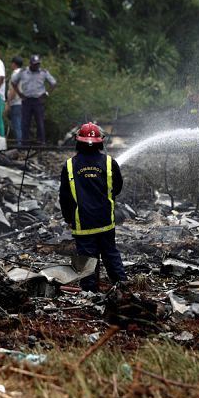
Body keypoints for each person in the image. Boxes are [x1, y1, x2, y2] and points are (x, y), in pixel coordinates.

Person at [59, 123, 126, 292]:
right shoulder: (110, 163)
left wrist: (68, 218)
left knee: (87, 259)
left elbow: (65, 197)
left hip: (83, 222)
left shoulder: (69, 166)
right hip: (105, 221)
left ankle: (90, 293)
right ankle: (122, 287)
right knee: (111, 254)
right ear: (100, 142)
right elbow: (117, 188)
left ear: (78, 142)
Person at [12, 54, 56, 145]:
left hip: (38, 100)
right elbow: (14, 82)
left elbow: (53, 83)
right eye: (35, 64)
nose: (36, 66)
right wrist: (19, 94)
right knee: (25, 123)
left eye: (38, 64)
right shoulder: (23, 72)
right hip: (26, 100)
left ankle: (41, 142)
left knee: (39, 122)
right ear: (30, 64)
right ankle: (25, 143)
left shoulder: (43, 72)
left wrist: (46, 94)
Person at [5, 56, 24, 144]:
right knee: (20, 124)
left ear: (14, 64)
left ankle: (19, 145)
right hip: (22, 102)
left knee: (16, 124)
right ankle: (21, 144)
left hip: (15, 102)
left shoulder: (15, 74)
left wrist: (8, 102)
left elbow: (13, 90)